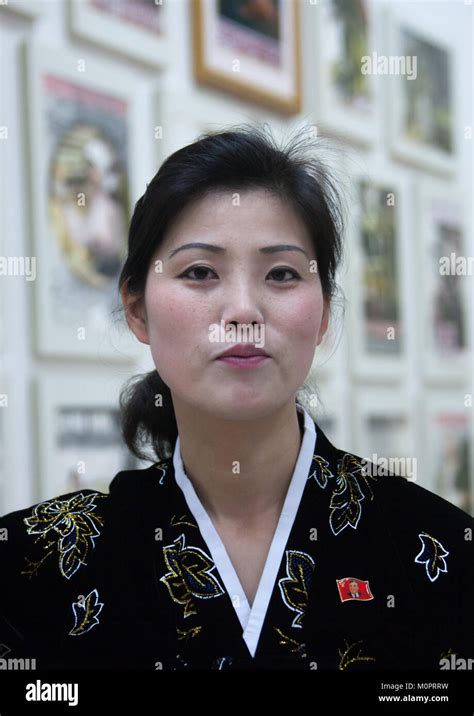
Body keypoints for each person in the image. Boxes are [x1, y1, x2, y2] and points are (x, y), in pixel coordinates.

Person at [0, 125, 472, 672]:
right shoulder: (31, 566)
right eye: (200, 272)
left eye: (282, 273)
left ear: (321, 313)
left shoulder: (438, 551)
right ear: (136, 308)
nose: (244, 311)